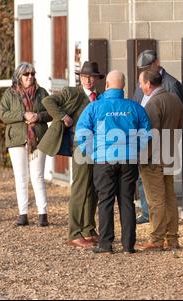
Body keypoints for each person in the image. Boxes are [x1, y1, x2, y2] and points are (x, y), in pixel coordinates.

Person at [76, 70, 151, 254]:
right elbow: (147, 132)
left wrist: (92, 152)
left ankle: (106, 244)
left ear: (107, 85)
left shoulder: (95, 107)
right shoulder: (135, 107)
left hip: (103, 160)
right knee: (127, 201)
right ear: (123, 87)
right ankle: (128, 245)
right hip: (128, 159)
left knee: (105, 201)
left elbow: (82, 131)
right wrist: (135, 149)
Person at [38, 61, 104, 249]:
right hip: (79, 145)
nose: (88, 80)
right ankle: (74, 233)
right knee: (80, 188)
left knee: (93, 188)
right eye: (85, 77)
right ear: (80, 78)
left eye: (92, 77)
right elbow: (47, 101)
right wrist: (61, 116)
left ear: (97, 79)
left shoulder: (99, 98)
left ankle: (89, 229)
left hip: (96, 147)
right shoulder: (72, 92)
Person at [132, 49, 183, 225]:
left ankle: (158, 235)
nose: (140, 84)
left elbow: (153, 130)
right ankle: (170, 235)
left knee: (158, 198)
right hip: (162, 151)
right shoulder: (145, 87)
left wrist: (142, 154)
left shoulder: (170, 85)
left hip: (156, 153)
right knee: (165, 196)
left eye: (147, 67)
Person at [0, 63, 52, 227]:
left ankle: (42, 214)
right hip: (16, 139)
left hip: (38, 138)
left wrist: (37, 116)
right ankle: (23, 214)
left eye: (32, 73)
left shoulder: (42, 92)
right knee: (21, 177)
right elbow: (3, 115)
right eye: (26, 74)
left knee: (38, 176)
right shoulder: (9, 93)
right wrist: (23, 115)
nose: (30, 76)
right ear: (18, 76)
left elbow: (51, 112)